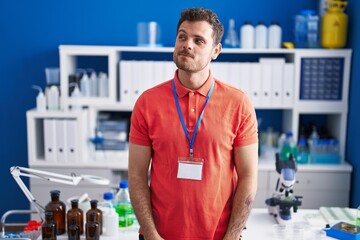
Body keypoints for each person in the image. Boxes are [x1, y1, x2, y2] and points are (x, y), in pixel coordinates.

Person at [128, 7, 258, 240]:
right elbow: (137, 175)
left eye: (199, 40)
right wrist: (150, 234)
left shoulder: (238, 103)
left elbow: (248, 176)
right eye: (182, 36)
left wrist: (232, 236)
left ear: (215, 51)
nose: (187, 44)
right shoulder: (147, 103)